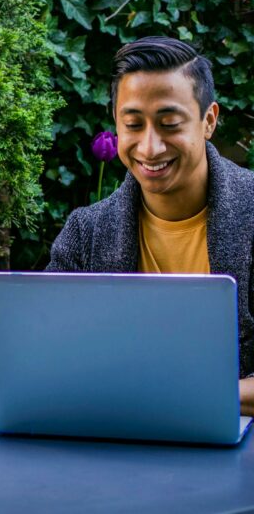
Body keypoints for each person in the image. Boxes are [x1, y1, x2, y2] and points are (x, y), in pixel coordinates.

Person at [47, 36, 254, 413]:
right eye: (133, 125)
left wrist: (178, 396)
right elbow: (48, 361)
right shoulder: (85, 235)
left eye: (170, 124)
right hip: (119, 453)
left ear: (209, 120)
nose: (149, 147)